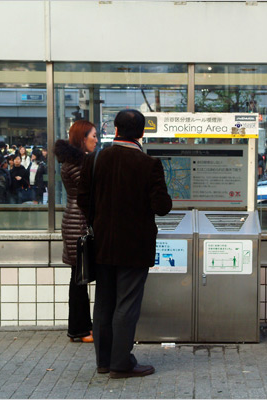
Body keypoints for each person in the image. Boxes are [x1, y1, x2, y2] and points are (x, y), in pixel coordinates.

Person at [77, 109, 172, 378]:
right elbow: (162, 207)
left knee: (104, 302)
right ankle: (121, 363)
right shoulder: (149, 164)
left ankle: (104, 361)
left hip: (102, 244)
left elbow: (83, 199)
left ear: (116, 130)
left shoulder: (95, 160)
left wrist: (102, 220)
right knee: (126, 305)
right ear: (142, 133)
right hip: (135, 247)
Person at [54, 120, 98, 343]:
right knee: (79, 280)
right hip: (79, 223)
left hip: (73, 220)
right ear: (83, 138)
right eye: (93, 136)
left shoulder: (71, 161)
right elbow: (88, 196)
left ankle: (80, 328)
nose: (96, 140)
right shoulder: (80, 164)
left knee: (78, 278)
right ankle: (80, 330)